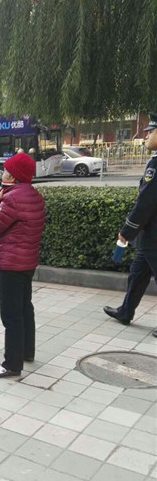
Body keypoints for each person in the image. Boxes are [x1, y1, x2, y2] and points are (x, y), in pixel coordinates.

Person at [0, 152, 45, 377]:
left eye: (6, 171)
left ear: (13, 176)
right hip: (27, 262)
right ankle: (26, 352)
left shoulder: (11, 199)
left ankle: (11, 364)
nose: (2, 174)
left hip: (11, 263)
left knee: (11, 315)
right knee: (25, 308)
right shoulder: (34, 195)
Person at [103, 112, 157, 337]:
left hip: (154, 234)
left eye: (150, 132)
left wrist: (127, 231)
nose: (146, 136)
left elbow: (146, 202)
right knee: (137, 272)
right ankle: (126, 311)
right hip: (149, 236)